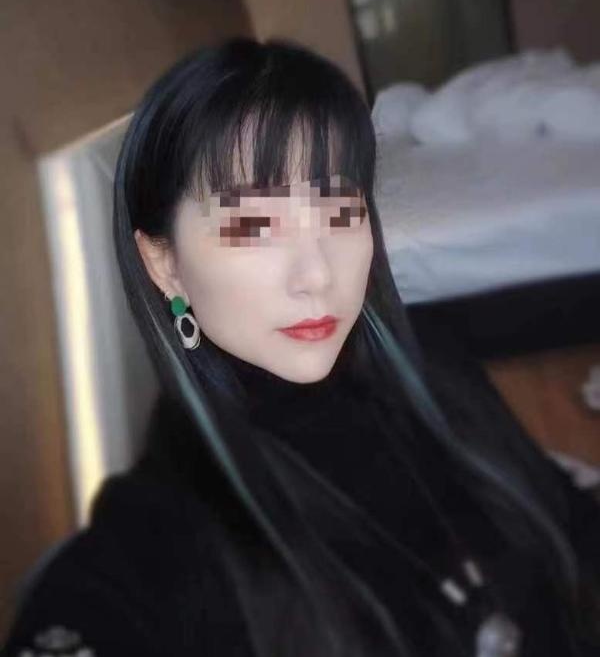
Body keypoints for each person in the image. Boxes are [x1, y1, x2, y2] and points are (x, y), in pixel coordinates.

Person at [3, 38, 600, 657]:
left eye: (340, 213)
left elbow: (566, 522)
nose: (316, 274)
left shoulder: (431, 355)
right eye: (253, 226)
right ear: (164, 264)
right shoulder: (162, 530)